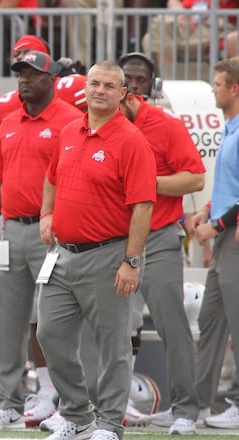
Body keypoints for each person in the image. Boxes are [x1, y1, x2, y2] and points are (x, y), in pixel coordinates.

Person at [36, 60, 156, 440]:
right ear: (84, 89)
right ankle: (77, 414)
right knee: (49, 334)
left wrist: (131, 262)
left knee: (113, 347)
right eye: (94, 84)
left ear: (123, 94)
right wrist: (46, 214)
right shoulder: (70, 129)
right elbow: (52, 176)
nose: (99, 90)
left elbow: (143, 206)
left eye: (109, 85)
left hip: (108, 254)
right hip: (62, 253)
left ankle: (108, 424)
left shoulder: (132, 141)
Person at [0, 50, 83, 431]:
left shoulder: (71, 121)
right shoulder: (8, 122)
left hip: (48, 231)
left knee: (53, 319)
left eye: (32, 74)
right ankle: (7, 401)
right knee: (9, 317)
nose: (24, 79)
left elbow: (74, 181)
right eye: (20, 73)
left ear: (51, 78)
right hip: (9, 230)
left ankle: (63, 400)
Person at [116, 54, 206, 436]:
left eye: (141, 80)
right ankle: (106, 406)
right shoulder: (99, 127)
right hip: (112, 240)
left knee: (172, 326)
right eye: (128, 80)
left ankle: (186, 409)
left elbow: (195, 179)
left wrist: (146, 183)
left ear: (151, 86)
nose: (134, 87)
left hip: (157, 237)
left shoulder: (166, 126)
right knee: (110, 329)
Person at [189, 56, 239, 430]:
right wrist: (208, 209)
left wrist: (217, 224)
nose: (212, 89)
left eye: (217, 84)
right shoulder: (230, 129)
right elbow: (231, 183)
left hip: (232, 238)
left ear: (234, 89)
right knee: (210, 321)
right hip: (224, 237)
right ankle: (200, 404)